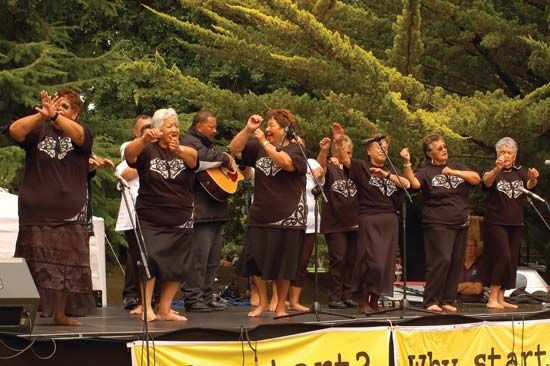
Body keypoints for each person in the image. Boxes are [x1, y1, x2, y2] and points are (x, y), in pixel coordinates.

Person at [8, 89, 96, 326]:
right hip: (36, 213)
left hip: (70, 213)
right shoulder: (38, 131)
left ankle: (60, 313)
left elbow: (79, 136)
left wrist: (56, 117)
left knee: (68, 265)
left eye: (65, 107)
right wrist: (42, 115)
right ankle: (24, 314)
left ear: (75, 113)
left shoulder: (82, 133)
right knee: (32, 264)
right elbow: (15, 131)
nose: (58, 109)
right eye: (56, 105)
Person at [230, 109, 307, 317]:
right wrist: (248, 129)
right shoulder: (258, 146)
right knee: (255, 259)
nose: (267, 129)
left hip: (288, 215)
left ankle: (281, 306)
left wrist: (265, 143)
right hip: (261, 212)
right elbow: (235, 148)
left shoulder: (297, 148)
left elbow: (286, 163)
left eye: (272, 125)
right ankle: (262, 302)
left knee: (284, 265)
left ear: (285, 129)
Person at [124, 108, 198, 321]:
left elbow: (193, 160)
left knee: (178, 262)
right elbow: (130, 155)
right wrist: (143, 140)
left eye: (176, 125)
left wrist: (179, 151)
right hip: (151, 216)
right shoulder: (148, 149)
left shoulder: (186, 148)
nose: (175, 129)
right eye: (169, 126)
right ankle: (146, 306)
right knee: (150, 259)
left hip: (181, 215)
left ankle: (165, 308)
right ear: (158, 129)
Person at [333, 124, 410, 314]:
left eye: (385, 147)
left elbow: (407, 184)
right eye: (378, 146)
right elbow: (344, 159)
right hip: (370, 218)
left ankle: (375, 300)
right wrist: (339, 141)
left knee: (385, 263)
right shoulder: (361, 166)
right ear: (369, 150)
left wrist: (387, 174)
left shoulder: (392, 170)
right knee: (371, 262)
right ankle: (362, 300)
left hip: (390, 220)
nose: (383, 150)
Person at [401, 133, 481, 312]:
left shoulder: (456, 166)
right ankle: (431, 300)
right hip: (437, 223)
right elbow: (412, 183)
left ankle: (448, 300)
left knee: (455, 261)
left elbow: (476, 178)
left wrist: (455, 172)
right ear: (430, 153)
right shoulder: (426, 171)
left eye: (444, 147)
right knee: (441, 260)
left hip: (461, 221)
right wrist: (407, 163)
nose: (444, 150)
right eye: (439, 148)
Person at [180, 110, 233, 312]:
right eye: (211, 126)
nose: (215, 130)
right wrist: (225, 158)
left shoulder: (206, 143)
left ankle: (207, 294)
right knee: (198, 259)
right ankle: (193, 297)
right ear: (199, 125)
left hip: (215, 210)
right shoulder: (189, 141)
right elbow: (201, 158)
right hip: (200, 211)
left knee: (212, 260)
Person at [481, 137, 539, 309]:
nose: (506, 156)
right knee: (502, 256)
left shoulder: (520, 170)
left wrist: (533, 178)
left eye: (509, 153)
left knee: (511, 260)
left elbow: (529, 185)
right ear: (498, 154)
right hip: (496, 222)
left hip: (515, 222)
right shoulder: (492, 170)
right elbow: (486, 181)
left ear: (515, 156)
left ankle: (501, 297)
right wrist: (497, 169)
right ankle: (492, 297)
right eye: (503, 152)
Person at [115, 115, 152, 312]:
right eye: (144, 127)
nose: (149, 129)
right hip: (133, 211)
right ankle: (131, 295)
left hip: (154, 212)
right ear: (136, 131)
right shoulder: (128, 146)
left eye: (151, 126)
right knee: (135, 256)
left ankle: (149, 298)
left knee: (152, 255)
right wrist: (148, 158)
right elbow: (125, 173)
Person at [317, 135, 359, 309]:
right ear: (337, 151)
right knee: (338, 259)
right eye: (345, 152)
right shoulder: (329, 167)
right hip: (335, 223)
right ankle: (335, 296)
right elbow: (319, 168)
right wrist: (324, 151)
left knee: (352, 260)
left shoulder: (355, 169)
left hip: (355, 221)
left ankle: (347, 295)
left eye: (350, 152)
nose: (348, 156)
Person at [287, 135, 325, 312]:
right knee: (285, 261)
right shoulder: (285, 162)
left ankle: (294, 301)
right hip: (288, 221)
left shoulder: (311, 162)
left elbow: (321, 171)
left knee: (302, 263)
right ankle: (278, 301)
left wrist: (320, 170)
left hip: (309, 222)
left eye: (300, 143)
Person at [457, 238, 484, 303]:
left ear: (476, 248)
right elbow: (452, 289)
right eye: (467, 246)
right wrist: (470, 285)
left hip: (477, 304)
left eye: (472, 246)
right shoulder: (458, 264)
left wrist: (461, 287)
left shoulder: (480, 264)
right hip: (457, 303)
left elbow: (478, 289)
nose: (470, 248)